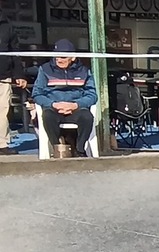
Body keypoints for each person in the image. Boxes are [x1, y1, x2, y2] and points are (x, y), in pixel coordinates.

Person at [32, 39, 98, 157]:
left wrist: (75, 105)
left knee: (87, 117)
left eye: (63, 57)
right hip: (54, 107)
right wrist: (53, 104)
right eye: (56, 56)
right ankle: (57, 148)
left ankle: (80, 149)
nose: (59, 60)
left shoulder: (84, 71)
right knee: (47, 116)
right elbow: (37, 94)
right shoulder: (45, 69)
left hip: (76, 108)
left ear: (72, 57)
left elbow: (92, 95)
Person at [0, 14, 27, 155]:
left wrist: (19, 75)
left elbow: (15, 51)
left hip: (3, 76)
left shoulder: (7, 26)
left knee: (3, 111)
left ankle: (2, 144)